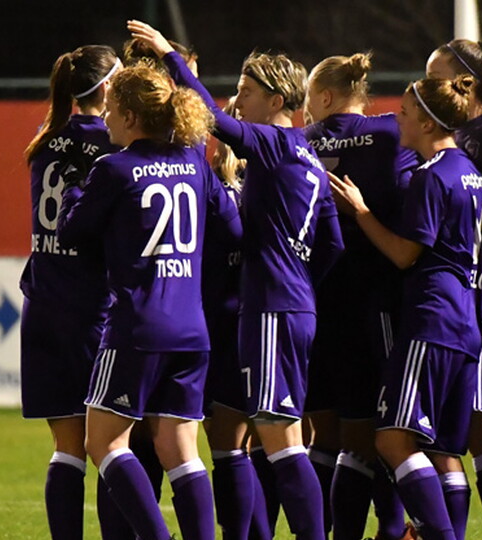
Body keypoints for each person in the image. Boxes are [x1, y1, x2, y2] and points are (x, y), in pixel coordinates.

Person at [129, 20, 344, 540]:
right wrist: (295, 279)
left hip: (271, 309)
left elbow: (213, 119)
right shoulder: (308, 155)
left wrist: (170, 58)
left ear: (276, 100)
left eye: (246, 91)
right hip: (293, 304)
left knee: (280, 440)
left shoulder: (275, 143)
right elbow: (332, 244)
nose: (237, 100)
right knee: (248, 431)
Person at [57, 62, 242, 540]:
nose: (106, 119)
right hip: (191, 329)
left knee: (104, 441)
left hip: (136, 327)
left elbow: (72, 231)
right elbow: (233, 227)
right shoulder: (193, 163)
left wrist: (75, 188)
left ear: (131, 116)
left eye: (112, 109)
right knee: (180, 448)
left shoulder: (113, 168)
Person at [330, 75, 482, 540]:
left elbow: (404, 254)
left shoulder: (430, 175)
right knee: (442, 450)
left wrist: (361, 212)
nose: (397, 118)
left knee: (392, 438)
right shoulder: (470, 171)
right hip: (465, 320)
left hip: (431, 319)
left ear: (426, 121)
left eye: (404, 112)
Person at [303, 52, 417, 540]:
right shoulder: (391, 132)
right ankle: (389, 530)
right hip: (375, 298)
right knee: (376, 431)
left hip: (313, 300)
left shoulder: (300, 141)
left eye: (310, 97)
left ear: (326, 96)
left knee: (322, 433)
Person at [19, 44, 122, 540]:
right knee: (110, 444)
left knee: (67, 447)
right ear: (108, 88)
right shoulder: (112, 143)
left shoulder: (46, 137)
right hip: (88, 307)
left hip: (42, 301)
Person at [424, 38, 482, 540]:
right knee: (458, 434)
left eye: (434, 77)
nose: (427, 87)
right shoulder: (451, 134)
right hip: (460, 303)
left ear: (464, 81)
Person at [202, 98, 273, 540]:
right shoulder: (269, 184)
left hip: (222, 324)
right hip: (254, 319)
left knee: (228, 445)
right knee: (247, 444)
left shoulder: (215, 188)